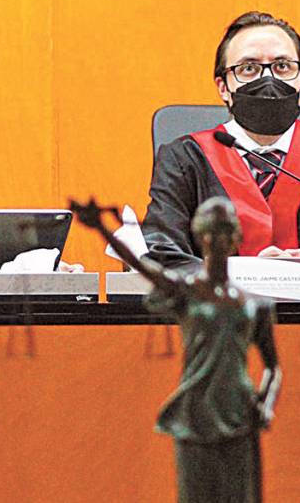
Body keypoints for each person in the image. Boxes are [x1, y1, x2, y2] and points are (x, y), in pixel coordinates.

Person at [74, 196, 280, 503]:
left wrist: (266, 402)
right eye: (211, 232)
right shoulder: (187, 292)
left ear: (236, 237)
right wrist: (101, 229)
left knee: (241, 496)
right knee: (195, 495)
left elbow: (273, 366)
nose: (217, 239)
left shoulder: (255, 305)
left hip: (239, 411)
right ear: (200, 237)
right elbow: (144, 267)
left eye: (225, 231)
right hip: (195, 411)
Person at [143, 11, 300, 269]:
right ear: (223, 87)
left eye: (282, 66)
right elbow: (162, 255)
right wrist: (246, 274)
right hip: (218, 297)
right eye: (248, 69)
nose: (268, 80)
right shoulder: (184, 158)